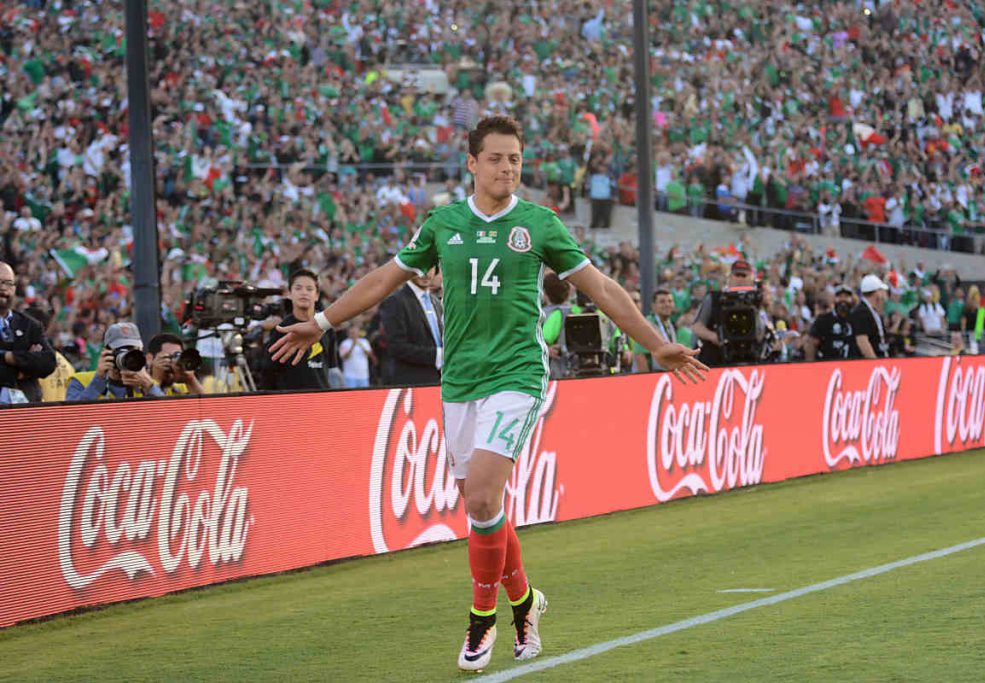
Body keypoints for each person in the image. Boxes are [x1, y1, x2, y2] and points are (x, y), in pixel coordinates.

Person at [269, 116, 707, 672]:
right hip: (460, 381)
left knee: (479, 497)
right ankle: (525, 604)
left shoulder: (539, 224)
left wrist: (655, 343)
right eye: (497, 159)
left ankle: (482, 620)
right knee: (485, 508)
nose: (508, 169)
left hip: (518, 377)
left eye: (516, 160)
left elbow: (601, 288)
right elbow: (385, 278)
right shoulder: (443, 224)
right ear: (472, 163)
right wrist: (324, 322)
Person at [264, 269, 336, 390]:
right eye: (298, 288)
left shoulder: (326, 327)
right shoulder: (281, 329)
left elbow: (332, 369)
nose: (304, 293)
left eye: (309, 289)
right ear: (290, 293)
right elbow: (269, 373)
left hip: (321, 399)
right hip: (291, 402)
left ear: (317, 295)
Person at [0, 262, 56, 404]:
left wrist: (7, 356)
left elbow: (49, 362)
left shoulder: (30, 325)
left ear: (14, 288)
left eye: (8, 283)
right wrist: (25, 369)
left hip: (26, 414)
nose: (3, 288)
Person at [378, 267, 444, 387]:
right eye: (420, 267)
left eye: (429, 268)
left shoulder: (436, 302)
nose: (425, 273)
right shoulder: (395, 302)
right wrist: (437, 355)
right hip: (411, 385)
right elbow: (396, 347)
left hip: (439, 384)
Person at [691, 259, 763, 367]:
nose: (740, 279)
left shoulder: (757, 299)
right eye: (736, 275)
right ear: (729, 277)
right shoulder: (714, 298)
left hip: (750, 356)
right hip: (716, 357)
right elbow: (697, 326)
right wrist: (715, 337)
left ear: (751, 278)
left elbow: (763, 326)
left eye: (744, 275)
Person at [65, 322, 164, 400]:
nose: (127, 356)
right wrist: (98, 381)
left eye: (132, 351)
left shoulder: (149, 384)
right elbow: (70, 418)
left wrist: (149, 387)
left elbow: (169, 417)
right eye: (121, 350)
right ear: (105, 352)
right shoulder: (81, 381)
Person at [805, 285, 856, 361]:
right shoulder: (824, 319)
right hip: (829, 364)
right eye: (839, 297)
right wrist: (809, 366)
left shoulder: (856, 319)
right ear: (833, 299)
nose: (843, 300)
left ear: (852, 299)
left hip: (853, 364)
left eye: (846, 297)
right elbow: (812, 343)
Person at [849, 274, 890, 359]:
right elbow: (862, 340)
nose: (883, 294)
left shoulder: (873, 311)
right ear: (877, 293)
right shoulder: (861, 312)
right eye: (881, 291)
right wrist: (874, 362)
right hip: (866, 365)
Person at [635, 289, 677, 372]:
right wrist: (647, 380)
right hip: (653, 375)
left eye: (670, 301)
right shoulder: (648, 324)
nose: (667, 304)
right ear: (653, 306)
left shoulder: (669, 324)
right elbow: (640, 355)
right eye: (662, 302)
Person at [338, 320, 375, 388]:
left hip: (363, 376)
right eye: (352, 332)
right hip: (349, 376)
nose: (353, 334)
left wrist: (362, 346)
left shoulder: (364, 342)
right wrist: (352, 346)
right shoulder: (344, 343)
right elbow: (344, 357)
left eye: (355, 332)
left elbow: (370, 355)